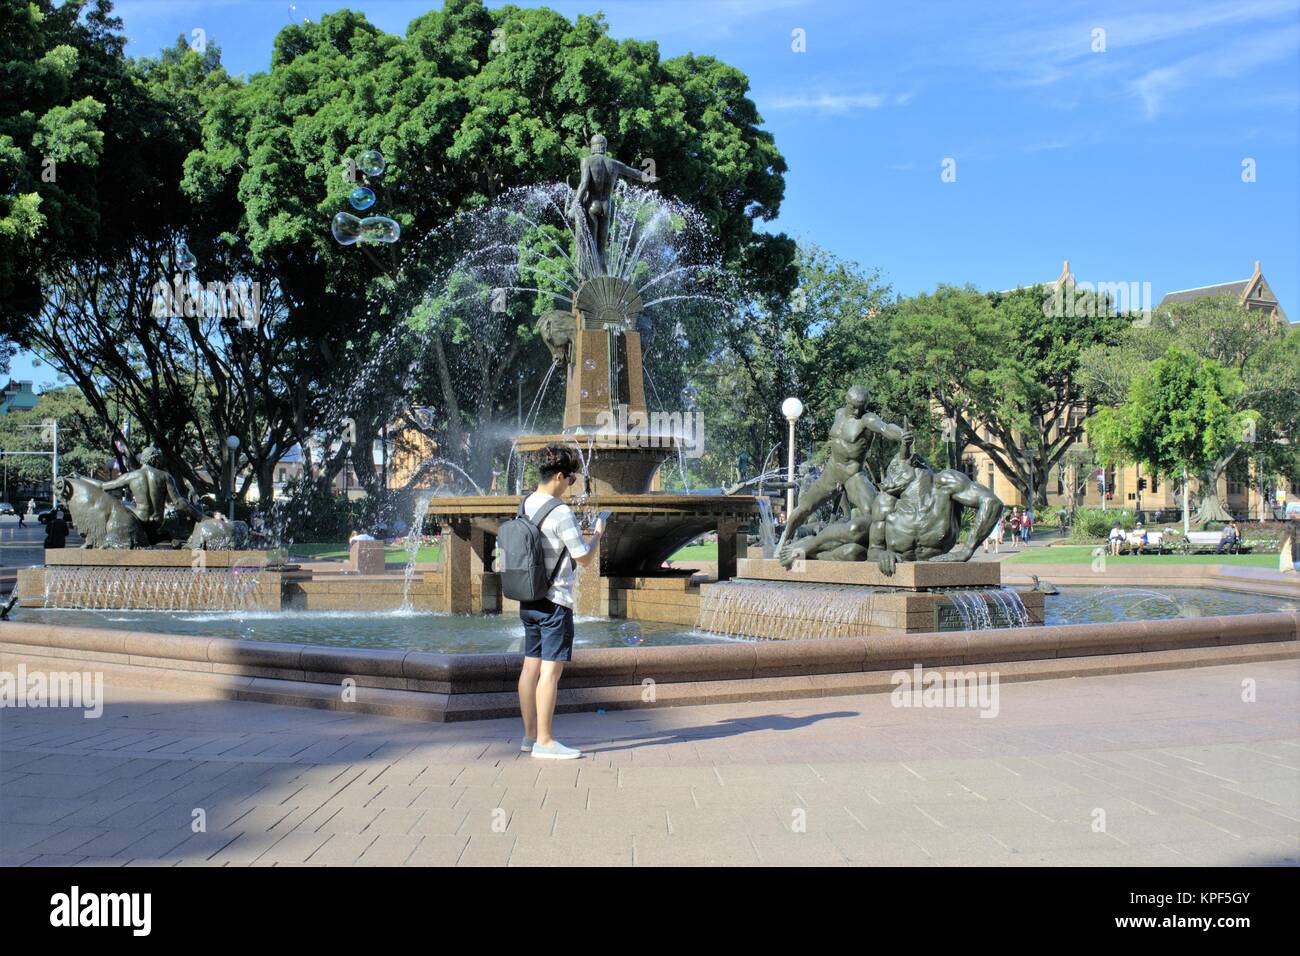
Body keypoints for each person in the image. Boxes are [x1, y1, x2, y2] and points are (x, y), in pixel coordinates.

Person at [517, 443, 605, 760]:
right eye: (570, 481)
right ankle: (545, 742)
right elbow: (582, 558)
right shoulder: (561, 511)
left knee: (530, 668)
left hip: (529, 597)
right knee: (550, 674)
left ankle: (529, 737)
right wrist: (597, 534)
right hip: (556, 602)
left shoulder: (526, 504)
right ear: (558, 476)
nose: (570, 487)